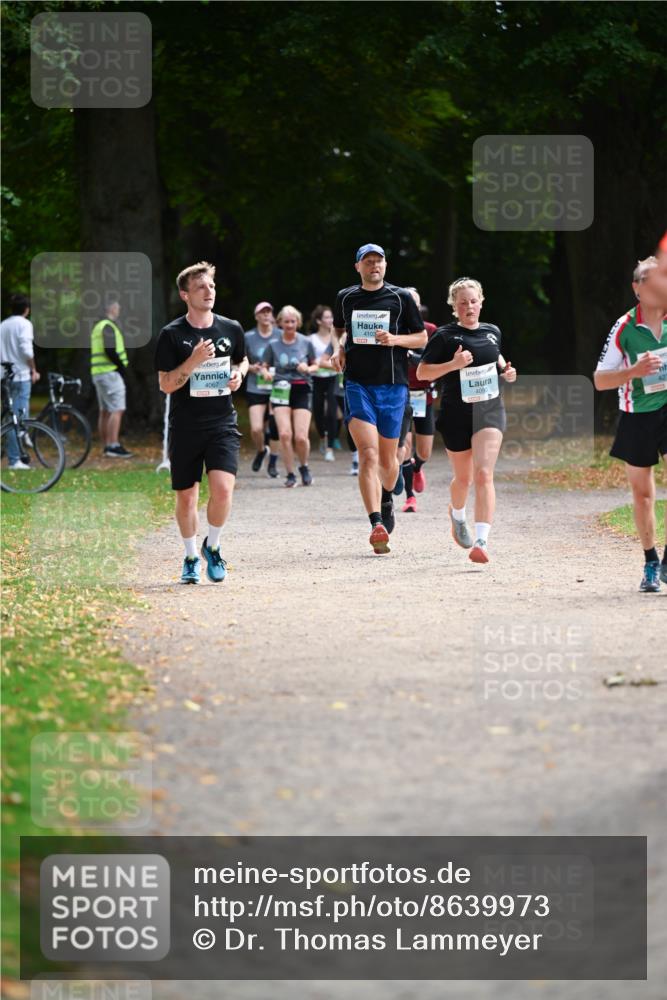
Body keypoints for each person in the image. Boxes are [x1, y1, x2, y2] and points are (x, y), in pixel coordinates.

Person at [155, 261, 248, 584]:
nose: (208, 291)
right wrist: (193, 361)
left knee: (223, 490)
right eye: (200, 287)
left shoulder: (231, 328)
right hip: (185, 425)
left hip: (222, 422)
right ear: (185, 295)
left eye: (211, 286)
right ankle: (191, 556)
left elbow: (242, 359)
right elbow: (166, 384)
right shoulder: (172, 335)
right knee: (187, 497)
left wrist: (239, 374)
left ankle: (214, 546)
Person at [331, 243, 426, 554]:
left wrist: (395, 339)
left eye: (379, 261)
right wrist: (338, 349)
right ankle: (376, 524)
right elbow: (339, 330)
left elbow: (422, 337)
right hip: (358, 384)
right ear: (358, 266)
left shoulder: (401, 298)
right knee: (369, 454)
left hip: (394, 385)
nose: (374, 266)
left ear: (385, 266)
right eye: (368, 261)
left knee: (389, 460)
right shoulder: (346, 297)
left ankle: (387, 497)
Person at [417, 277, 517, 564]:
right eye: (463, 303)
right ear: (454, 307)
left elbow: (499, 360)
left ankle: (482, 541)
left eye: (473, 301)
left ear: (481, 302)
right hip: (455, 414)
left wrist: (507, 372)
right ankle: (457, 515)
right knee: (464, 479)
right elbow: (423, 373)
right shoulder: (445, 336)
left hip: (489, 410)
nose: (469, 307)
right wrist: (454, 364)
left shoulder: (492, 331)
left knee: (484, 473)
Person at [594, 255, 667, 592]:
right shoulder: (624, 327)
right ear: (637, 288)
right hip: (638, 414)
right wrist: (632, 372)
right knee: (643, 495)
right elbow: (600, 380)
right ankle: (651, 561)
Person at [261, 305, 318, 487]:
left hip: (302, 388)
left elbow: (316, 365)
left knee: (301, 437)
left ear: (298, 323)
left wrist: (308, 368)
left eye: (293, 321)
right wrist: (265, 373)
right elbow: (263, 365)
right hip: (280, 389)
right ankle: (290, 473)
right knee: (285, 434)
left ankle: (304, 466)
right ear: (279, 323)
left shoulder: (305, 342)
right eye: (286, 321)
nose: (290, 325)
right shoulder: (273, 345)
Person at [397, 288, 438, 512]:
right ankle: (409, 497)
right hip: (401, 394)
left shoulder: (431, 331)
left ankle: (418, 467)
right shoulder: (394, 331)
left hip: (424, 396)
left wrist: (412, 357)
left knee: (424, 452)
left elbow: (437, 360)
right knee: (404, 446)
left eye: (414, 301)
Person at [0, 293, 40, 469]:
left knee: (9, 416)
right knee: (18, 419)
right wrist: (33, 368)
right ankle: (15, 459)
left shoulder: (3, 325)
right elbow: (26, 350)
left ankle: (14, 450)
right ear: (27, 309)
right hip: (21, 375)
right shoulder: (24, 324)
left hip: (4, 375)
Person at [90, 298, 132, 458]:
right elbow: (110, 350)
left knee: (105, 411)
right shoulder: (108, 326)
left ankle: (107, 445)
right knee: (117, 409)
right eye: (117, 307)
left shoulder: (98, 327)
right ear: (111, 309)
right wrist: (121, 366)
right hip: (110, 372)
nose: (119, 309)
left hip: (98, 372)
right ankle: (113, 445)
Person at [244, 301, 281, 477]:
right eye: (262, 312)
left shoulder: (281, 335)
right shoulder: (248, 337)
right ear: (256, 316)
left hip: (278, 387)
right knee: (256, 429)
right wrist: (251, 368)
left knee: (275, 428)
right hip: (256, 387)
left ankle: (273, 462)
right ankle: (261, 450)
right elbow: (239, 361)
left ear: (272, 315)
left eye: (269, 312)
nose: (266, 315)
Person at [309, 305, 338, 461]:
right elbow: (314, 361)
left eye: (331, 317)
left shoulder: (337, 339)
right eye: (326, 317)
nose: (330, 320)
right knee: (318, 412)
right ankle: (322, 436)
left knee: (332, 413)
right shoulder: (311, 339)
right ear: (319, 320)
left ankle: (330, 448)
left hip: (333, 378)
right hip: (316, 379)